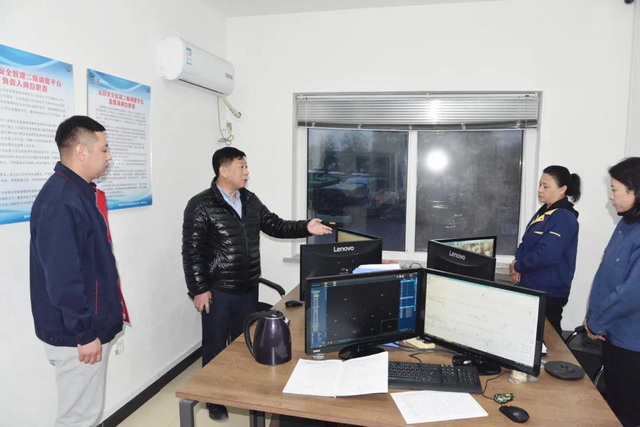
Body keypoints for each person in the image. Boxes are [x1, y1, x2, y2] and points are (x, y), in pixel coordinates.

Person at [182, 146, 332, 421]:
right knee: (215, 346)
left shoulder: (249, 200)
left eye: (246, 167)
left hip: (248, 287)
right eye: (242, 167)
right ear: (223, 170)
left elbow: (275, 225)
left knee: (245, 344)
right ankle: (214, 399)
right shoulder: (201, 204)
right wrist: (199, 289)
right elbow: (191, 252)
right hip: (217, 290)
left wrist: (305, 227)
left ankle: (244, 392)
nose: (247, 172)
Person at [30, 116, 125, 427]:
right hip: (78, 335)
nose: (109, 156)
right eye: (104, 149)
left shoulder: (78, 193)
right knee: (78, 418)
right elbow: (63, 279)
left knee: (86, 413)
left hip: (85, 328)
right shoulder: (61, 202)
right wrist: (84, 333)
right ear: (82, 151)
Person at [584, 157, 640, 427]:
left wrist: (597, 321)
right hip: (612, 334)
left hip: (632, 343)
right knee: (613, 404)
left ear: (635, 191)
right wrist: (593, 317)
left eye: (615, 189)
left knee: (627, 412)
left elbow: (631, 294)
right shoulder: (626, 224)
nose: (611, 196)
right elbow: (606, 275)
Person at [509, 165, 581, 336]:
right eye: (540, 184)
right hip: (532, 285)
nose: (540, 190)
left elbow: (546, 254)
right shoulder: (546, 211)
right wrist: (517, 264)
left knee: (549, 341)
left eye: (546, 186)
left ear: (563, 189)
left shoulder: (563, 217)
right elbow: (527, 243)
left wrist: (518, 266)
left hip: (548, 291)